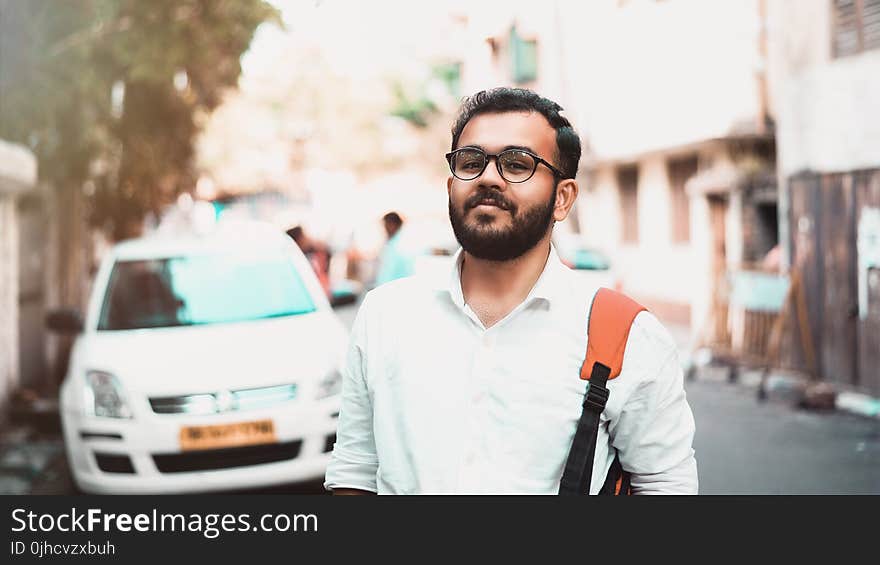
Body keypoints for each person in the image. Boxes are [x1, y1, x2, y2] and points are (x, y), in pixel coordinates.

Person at [324, 87, 698, 494]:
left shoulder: (625, 335)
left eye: (517, 164)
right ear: (451, 185)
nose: (487, 177)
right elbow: (355, 472)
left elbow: (665, 484)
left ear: (563, 198)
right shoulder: (385, 315)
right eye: (471, 161)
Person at [373, 211, 416, 286]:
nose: (384, 230)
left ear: (392, 225)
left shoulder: (399, 246)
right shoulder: (393, 243)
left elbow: (389, 274)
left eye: (385, 226)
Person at [286, 225, 332, 297]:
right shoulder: (302, 260)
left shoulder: (311, 255)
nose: (307, 238)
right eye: (304, 236)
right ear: (298, 240)